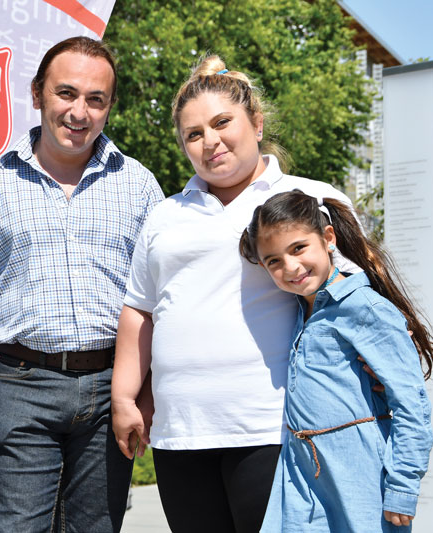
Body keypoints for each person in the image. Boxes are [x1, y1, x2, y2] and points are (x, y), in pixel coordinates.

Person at [110, 55, 363, 533]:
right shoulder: (164, 216)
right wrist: (125, 397)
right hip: (179, 433)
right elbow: (140, 310)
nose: (211, 141)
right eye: (194, 133)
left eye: (223, 122)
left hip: (275, 427)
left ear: (258, 123)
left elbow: (359, 301)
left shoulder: (312, 199)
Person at [0, 36, 164, 532]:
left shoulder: (140, 184)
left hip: (113, 387)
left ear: (109, 107)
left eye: (96, 99)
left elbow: (158, 299)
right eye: (66, 93)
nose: (79, 111)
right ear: (38, 93)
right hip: (22, 385)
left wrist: (144, 393)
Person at [240, 190, 433, 531]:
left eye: (299, 248)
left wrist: (403, 487)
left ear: (328, 238)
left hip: (359, 475)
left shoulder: (366, 309)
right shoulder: (300, 309)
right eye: (273, 261)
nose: (290, 267)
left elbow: (411, 404)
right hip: (300, 476)